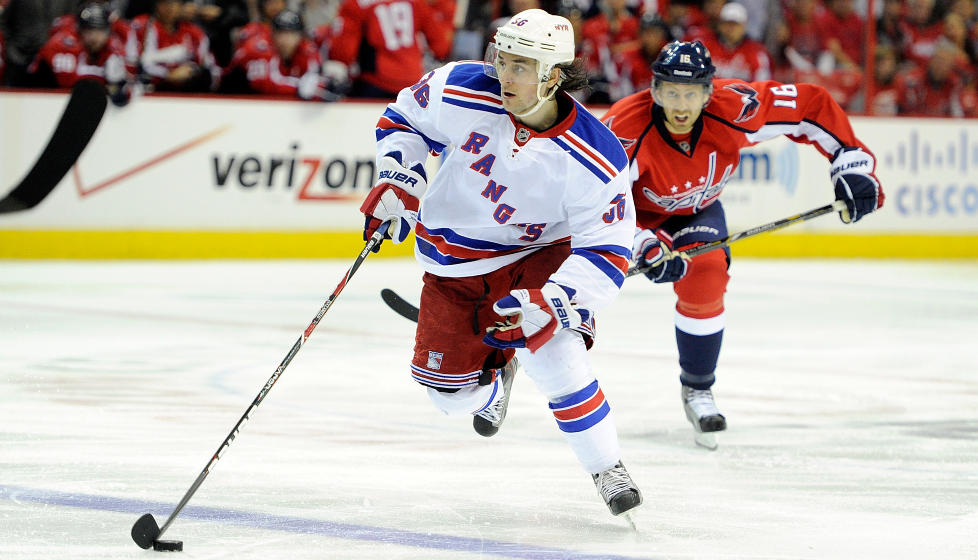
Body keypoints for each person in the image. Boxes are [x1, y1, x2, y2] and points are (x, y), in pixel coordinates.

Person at [359, 8, 642, 516]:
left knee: (556, 354)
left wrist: (557, 300)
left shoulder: (596, 155)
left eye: (520, 66)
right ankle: (493, 383)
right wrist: (399, 177)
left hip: (539, 256)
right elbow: (405, 120)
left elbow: (607, 247)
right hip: (454, 264)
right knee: (449, 398)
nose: (503, 75)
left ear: (553, 76)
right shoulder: (462, 86)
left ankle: (606, 466)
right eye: (502, 59)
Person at [602, 41, 884, 449]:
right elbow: (600, 204)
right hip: (636, 217)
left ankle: (698, 389)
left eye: (691, 94)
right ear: (654, 90)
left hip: (698, 211)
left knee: (707, 273)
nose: (680, 105)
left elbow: (811, 105)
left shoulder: (737, 107)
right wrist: (641, 245)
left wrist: (851, 163)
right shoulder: (622, 129)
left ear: (708, 92)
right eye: (670, 93)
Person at [328, 0, 454, 98]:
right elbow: (440, 46)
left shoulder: (356, 3)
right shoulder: (416, 2)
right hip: (413, 82)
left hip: (375, 82)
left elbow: (343, 52)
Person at [30, 2, 131, 105]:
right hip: (45, 98)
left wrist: (117, 84)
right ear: (80, 29)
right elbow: (71, 86)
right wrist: (103, 78)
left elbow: (123, 98)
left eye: (100, 31)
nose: (94, 37)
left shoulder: (114, 48)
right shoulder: (64, 44)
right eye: (89, 31)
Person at [221, 9, 329, 100]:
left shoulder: (308, 50)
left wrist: (326, 86)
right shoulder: (259, 49)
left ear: (301, 36)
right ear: (272, 34)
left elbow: (313, 82)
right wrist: (298, 87)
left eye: (291, 34)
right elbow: (267, 85)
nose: (285, 39)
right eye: (280, 33)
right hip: (230, 98)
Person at [127, 0, 219, 91]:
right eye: (165, 3)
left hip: (185, 89)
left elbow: (208, 67)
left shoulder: (194, 33)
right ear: (156, 5)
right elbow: (136, 63)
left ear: (181, 6)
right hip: (150, 88)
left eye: (174, 3)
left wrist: (192, 71)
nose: (170, 8)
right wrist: (167, 74)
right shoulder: (142, 25)